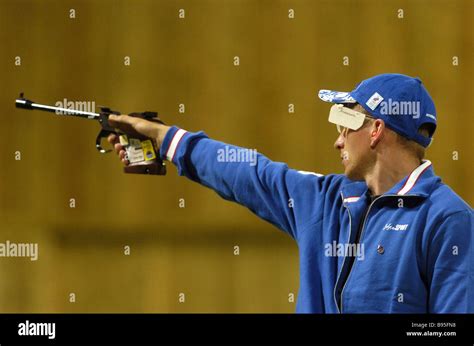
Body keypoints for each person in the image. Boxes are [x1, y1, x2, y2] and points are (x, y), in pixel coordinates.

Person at [107, 73, 473, 313]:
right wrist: (164, 138)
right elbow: (246, 171)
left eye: (345, 124)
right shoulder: (327, 199)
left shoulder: (447, 219)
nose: (337, 139)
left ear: (376, 130)